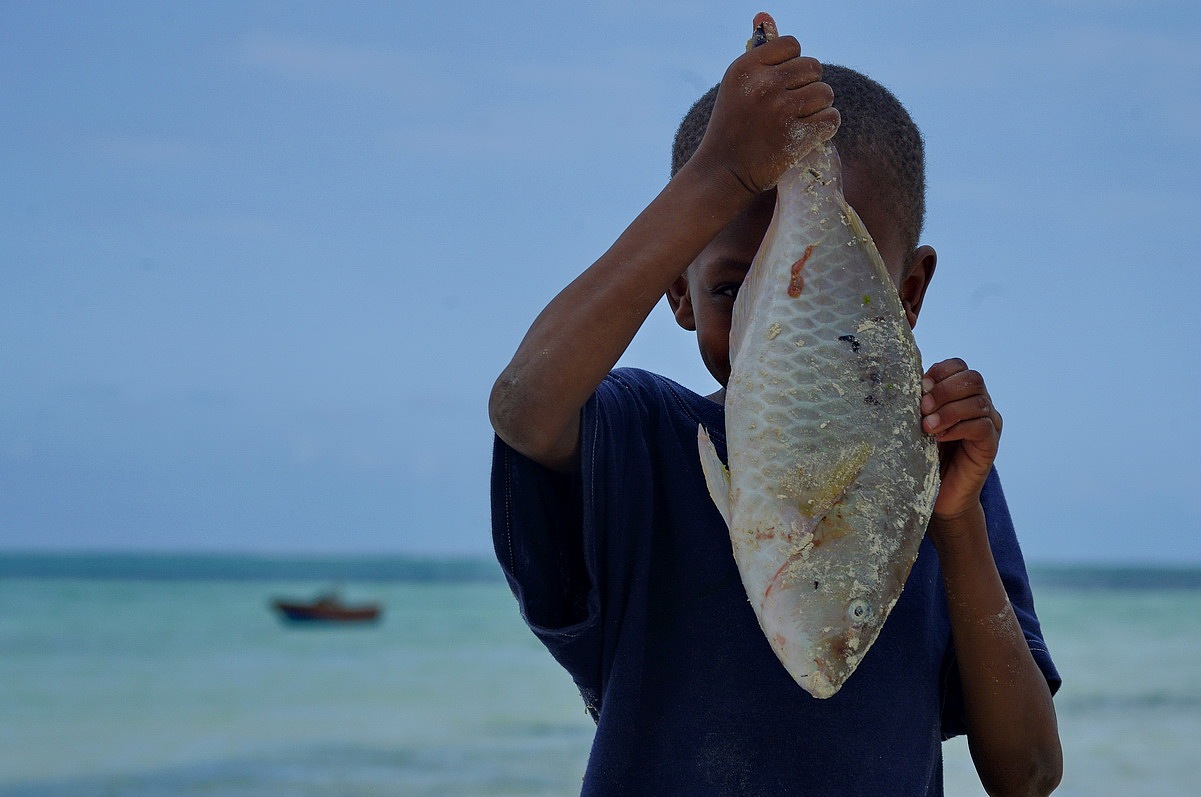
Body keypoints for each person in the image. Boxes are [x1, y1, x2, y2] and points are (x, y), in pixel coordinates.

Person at [489, 18, 1062, 797]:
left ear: (908, 293)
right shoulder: (640, 438)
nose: (775, 324)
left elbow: (1025, 774)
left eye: (816, 291)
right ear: (678, 292)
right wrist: (718, 174)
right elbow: (524, 406)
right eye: (733, 287)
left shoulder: (939, 470)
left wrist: (956, 522)